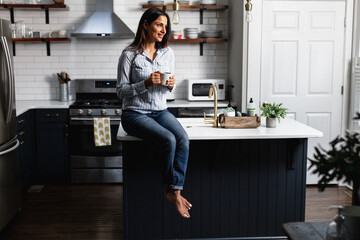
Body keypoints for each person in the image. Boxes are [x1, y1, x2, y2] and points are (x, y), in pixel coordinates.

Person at [116, 7, 192, 218]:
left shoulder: (168, 53)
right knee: (168, 139)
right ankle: (170, 191)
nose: (163, 30)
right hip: (134, 113)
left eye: (165, 27)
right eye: (159, 24)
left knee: (183, 139)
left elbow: (168, 86)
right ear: (146, 25)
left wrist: (170, 84)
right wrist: (145, 83)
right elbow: (121, 92)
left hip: (160, 111)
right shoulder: (129, 55)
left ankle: (175, 189)